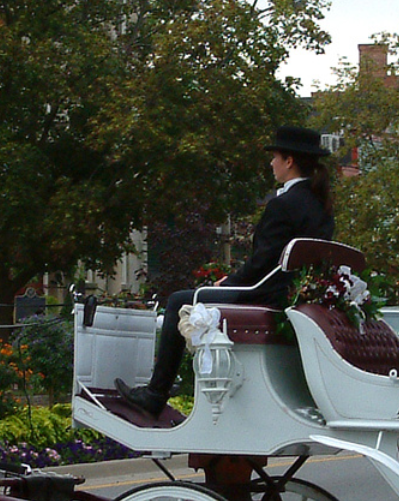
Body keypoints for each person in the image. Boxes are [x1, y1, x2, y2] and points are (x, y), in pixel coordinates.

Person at [118, 126, 334, 415]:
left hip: (266, 295)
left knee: (178, 301)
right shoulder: (320, 207)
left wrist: (228, 284)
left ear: (289, 161)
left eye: (274, 157)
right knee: (193, 297)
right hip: (290, 296)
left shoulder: (283, 205)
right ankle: (157, 392)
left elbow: (262, 264)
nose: (271, 163)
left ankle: (156, 393)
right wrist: (232, 281)